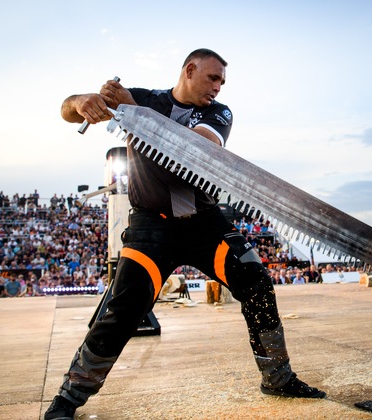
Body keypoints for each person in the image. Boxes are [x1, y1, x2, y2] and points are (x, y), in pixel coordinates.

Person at [45, 48, 325, 420]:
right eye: (213, 78)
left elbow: (197, 149)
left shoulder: (216, 113)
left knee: (256, 281)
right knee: (125, 306)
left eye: (223, 82)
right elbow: (66, 109)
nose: (219, 88)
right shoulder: (144, 98)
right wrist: (84, 102)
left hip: (205, 224)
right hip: (151, 225)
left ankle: (278, 377)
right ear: (189, 70)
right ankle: (70, 395)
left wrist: (136, 113)